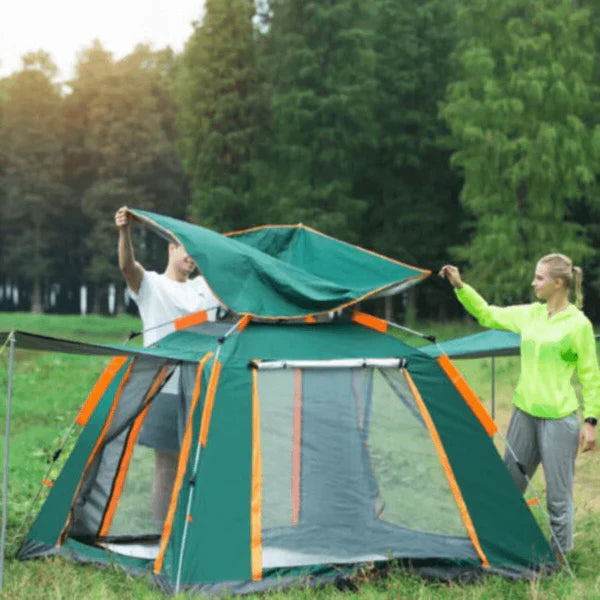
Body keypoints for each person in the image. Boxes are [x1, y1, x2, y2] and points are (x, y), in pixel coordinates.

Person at [439, 254, 600, 557]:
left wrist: (590, 422)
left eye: (539, 278)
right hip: (524, 414)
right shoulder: (531, 314)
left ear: (558, 283)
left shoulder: (578, 325)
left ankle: (560, 559)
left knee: (558, 497)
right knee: (509, 486)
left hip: (559, 421)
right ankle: (500, 550)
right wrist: (460, 287)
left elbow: (591, 376)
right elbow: (487, 314)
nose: (533, 283)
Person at [115, 205, 219, 530]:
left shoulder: (206, 288)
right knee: (166, 464)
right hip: (164, 388)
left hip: (202, 388)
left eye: (197, 253)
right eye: (187, 249)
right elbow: (127, 266)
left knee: (203, 462)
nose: (192, 258)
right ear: (172, 248)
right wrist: (124, 231)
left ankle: (195, 530)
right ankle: (161, 532)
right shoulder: (152, 285)